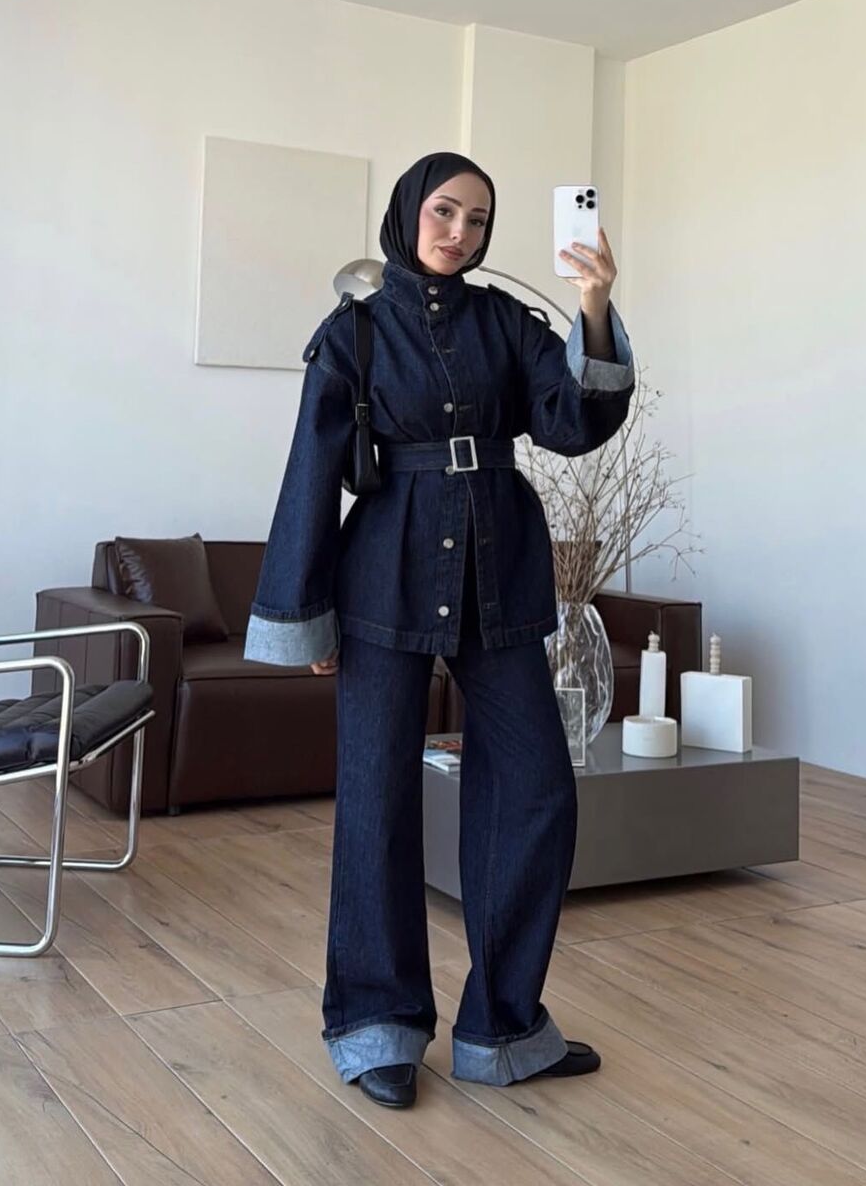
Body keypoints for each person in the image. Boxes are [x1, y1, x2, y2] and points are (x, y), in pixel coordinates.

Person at [244, 151, 636, 1109]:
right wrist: (303, 614)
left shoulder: (507, 321)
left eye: (478, 220)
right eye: (444, 211)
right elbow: (310, 471)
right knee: (376, 803)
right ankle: (376, 1026)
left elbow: (573, 424)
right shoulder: (353, 332)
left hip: (500, 572)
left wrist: (593, 305)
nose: (459, 233)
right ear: (409, 211)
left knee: (535, 790)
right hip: (383, 574)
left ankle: (503, 1030)